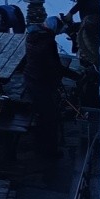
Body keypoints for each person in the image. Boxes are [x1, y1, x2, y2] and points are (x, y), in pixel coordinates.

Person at [19, 23, 79, 161]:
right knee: (50, 118)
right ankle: (49, 153)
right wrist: (76, 76)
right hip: (42, 82)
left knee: (41, 114)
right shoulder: (48, 43)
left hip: (30, 78)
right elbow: (55, 66)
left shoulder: (31, 39)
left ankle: (38, 144)